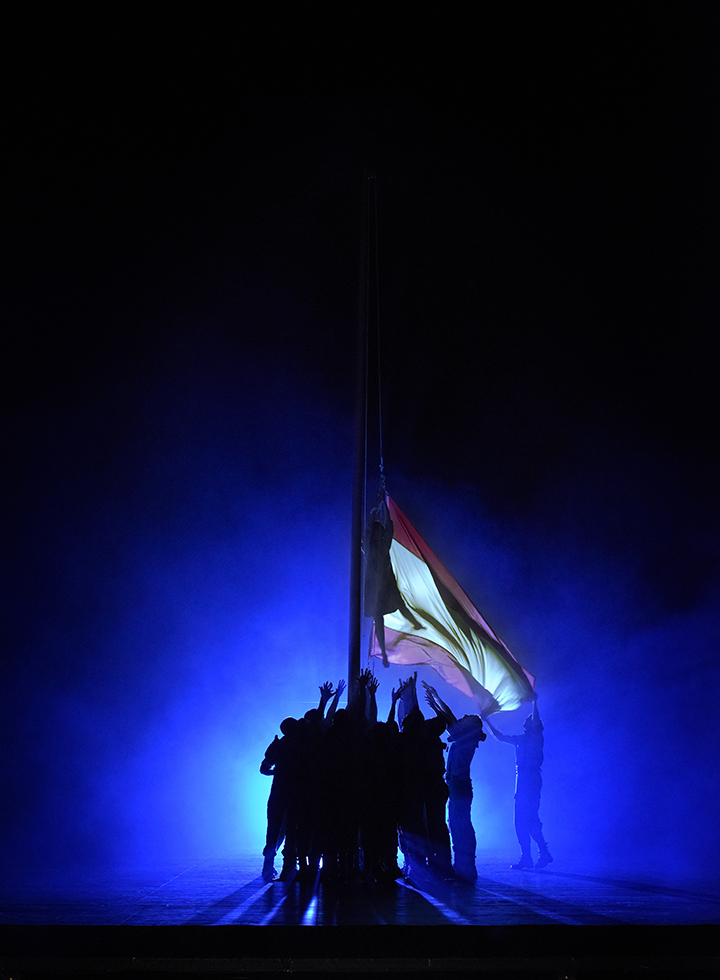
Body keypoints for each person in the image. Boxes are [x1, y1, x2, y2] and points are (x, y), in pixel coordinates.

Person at [423, 681, 486, 881]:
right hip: (456, 785)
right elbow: (448, 720)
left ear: (471, 726)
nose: (464, 716)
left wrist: (436, 697)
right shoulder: (463, 737)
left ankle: (468, 864)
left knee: (461, 824)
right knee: (457, 824)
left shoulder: (466, 739)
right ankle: (463, 865)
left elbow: (449, 717)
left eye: (468, 717)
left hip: (459, 786)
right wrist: (434, 703)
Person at [484, 695, 552, 870]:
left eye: (529, 719)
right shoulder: (521, 740)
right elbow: (499, 737)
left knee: (528, 819)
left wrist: (535, 702)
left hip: (530, 780)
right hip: (523, 780)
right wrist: (487, 721)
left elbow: (536, 719)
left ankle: (537, 854)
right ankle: (534, 855)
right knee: (523, 820)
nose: (527, 720)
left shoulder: (536, 737)